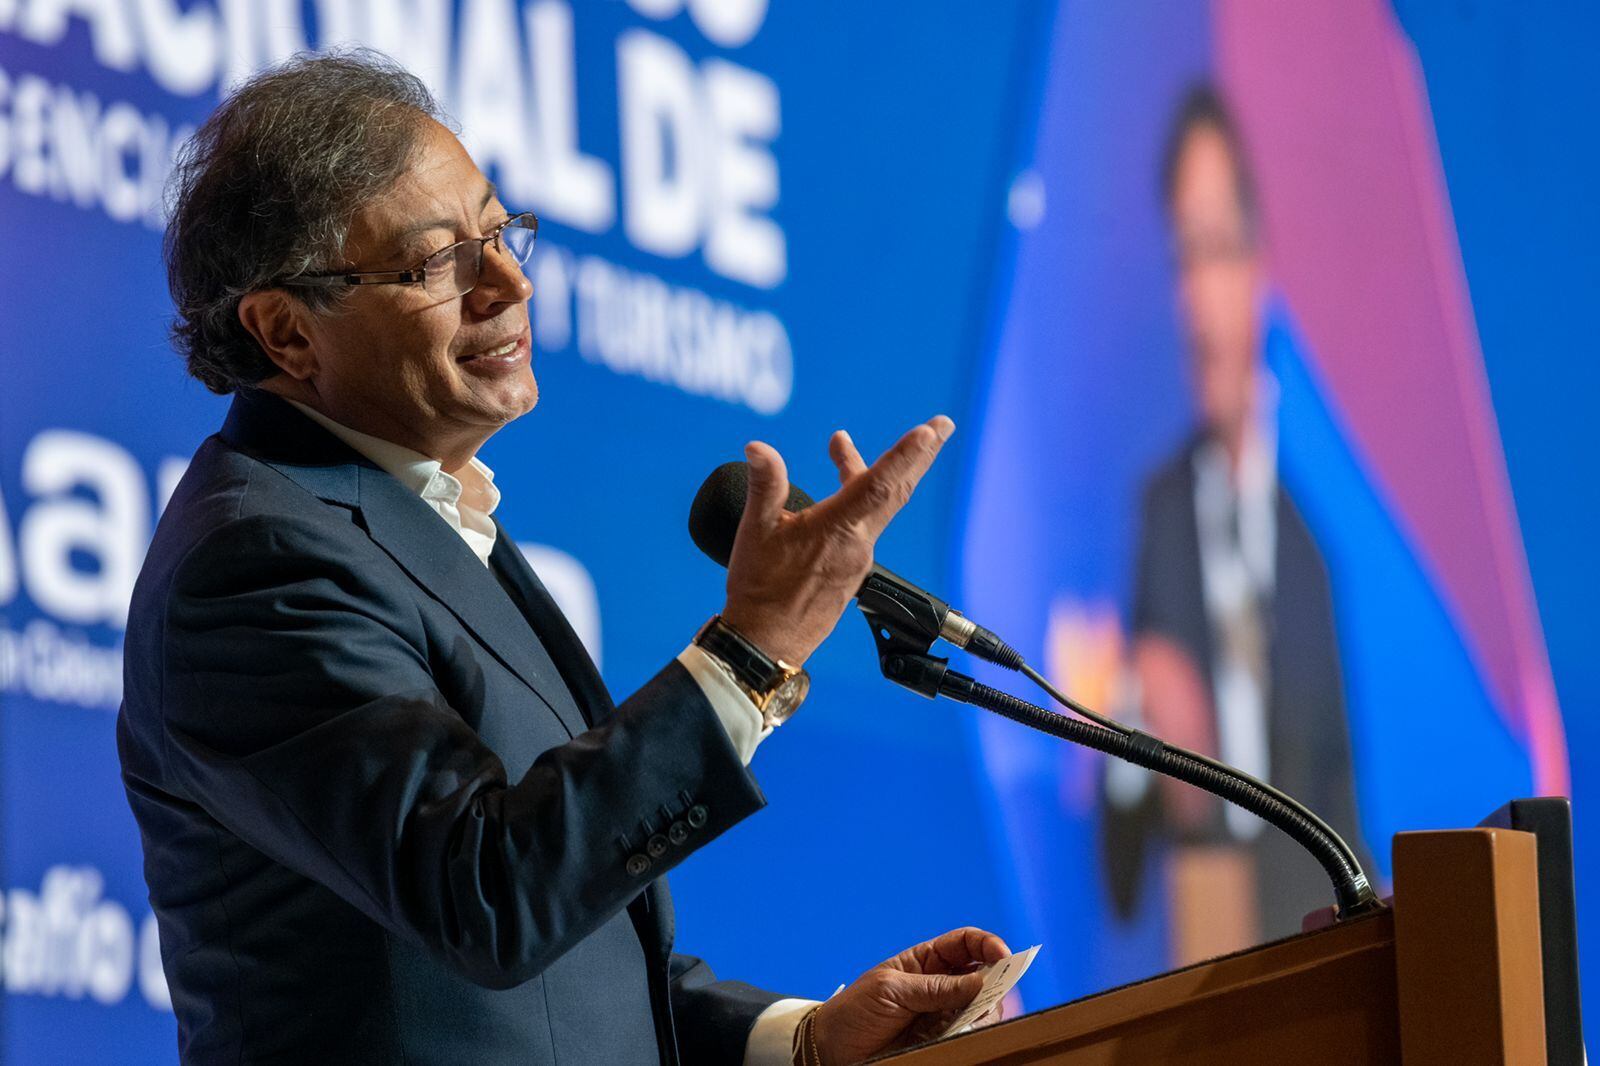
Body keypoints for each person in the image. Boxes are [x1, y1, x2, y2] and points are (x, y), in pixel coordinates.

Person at [117, 50, 1008, 1065]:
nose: (506, 282)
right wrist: (750, 651)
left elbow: (562, 963)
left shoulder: (420, 520)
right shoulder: (258, 563)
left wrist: (797, 1039)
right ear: (286, 332)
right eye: (436, 261)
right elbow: (486, 893)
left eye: (498, 233)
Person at [1099, 85, 1369, 955]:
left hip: (1310, 954)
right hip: (1193, 948)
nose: (1195, 299)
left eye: (1216, 250)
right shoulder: (1154, 513)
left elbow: (1343, 806)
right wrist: (1129, 719)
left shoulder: (1313, 549)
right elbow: (1116, 869)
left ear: (1262, 268)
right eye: (1182, 257)